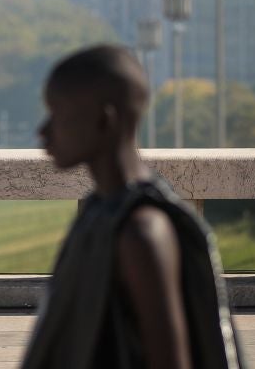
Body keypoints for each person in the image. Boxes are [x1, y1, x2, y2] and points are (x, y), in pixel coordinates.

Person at [21, 45, 243, 369]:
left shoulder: (142, 233)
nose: (42, 131)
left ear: (104, 121)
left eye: (58, 114)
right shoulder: (102, 211)